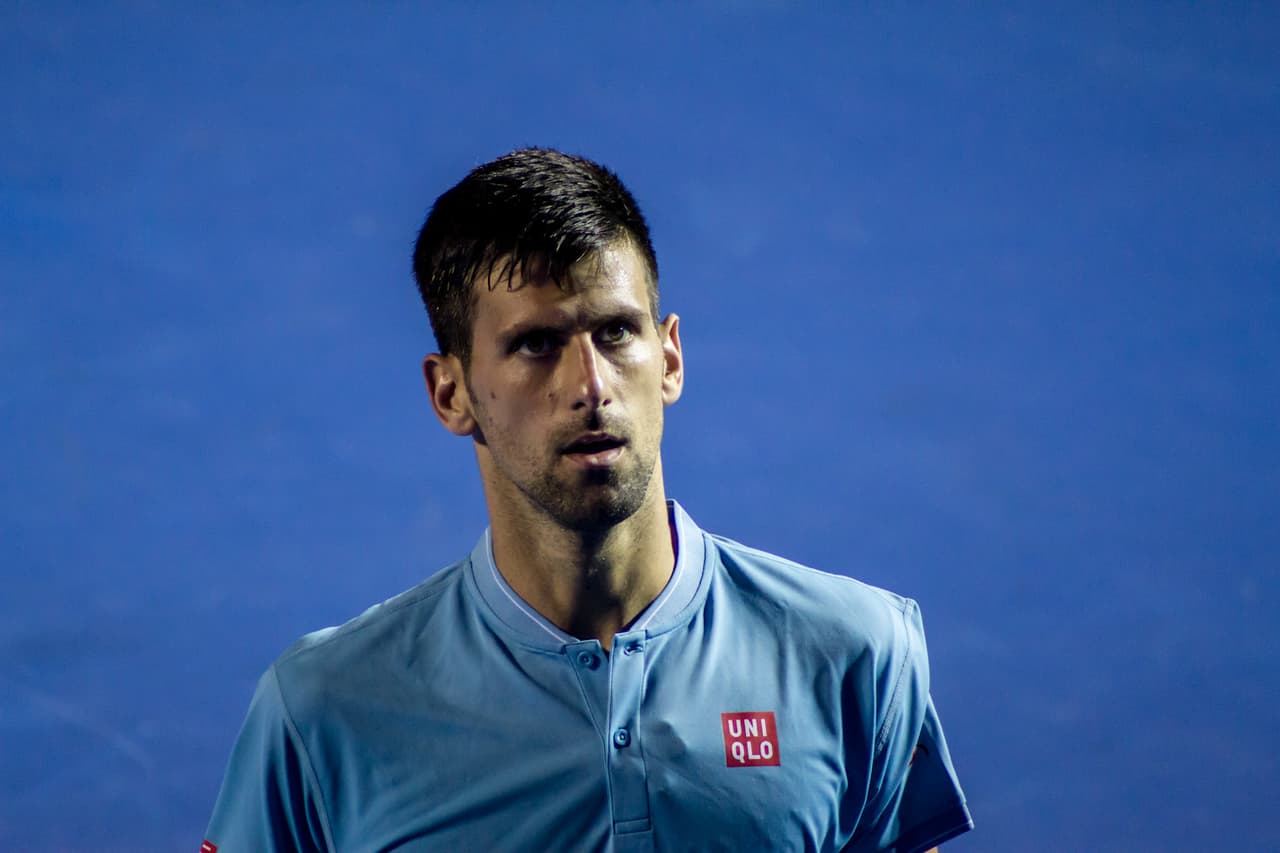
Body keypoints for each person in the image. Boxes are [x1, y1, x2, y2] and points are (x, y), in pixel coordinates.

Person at [203, 148, 973, 852]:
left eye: (615, 332)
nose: (590, 387)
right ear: (451, 392)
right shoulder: (322, 712)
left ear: (668, 358)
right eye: (536, 344)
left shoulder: (857, 656)